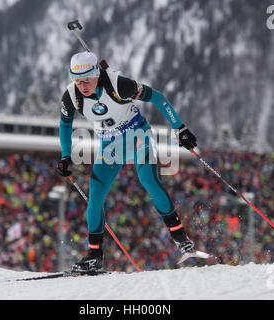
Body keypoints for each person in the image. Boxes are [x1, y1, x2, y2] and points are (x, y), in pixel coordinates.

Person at [56, 51, 198, 272]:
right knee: (95, 193)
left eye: (87, 80)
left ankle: (181, 238)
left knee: (148, 180)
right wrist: (66, 155)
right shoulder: (72, 95)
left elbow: (158, 97)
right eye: (77, 80)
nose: (82, 86)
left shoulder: (119, 85)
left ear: (96, 73)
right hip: (109, 145)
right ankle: (94, 255)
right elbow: (64, 125)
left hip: (136, 136)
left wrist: (181, 128)